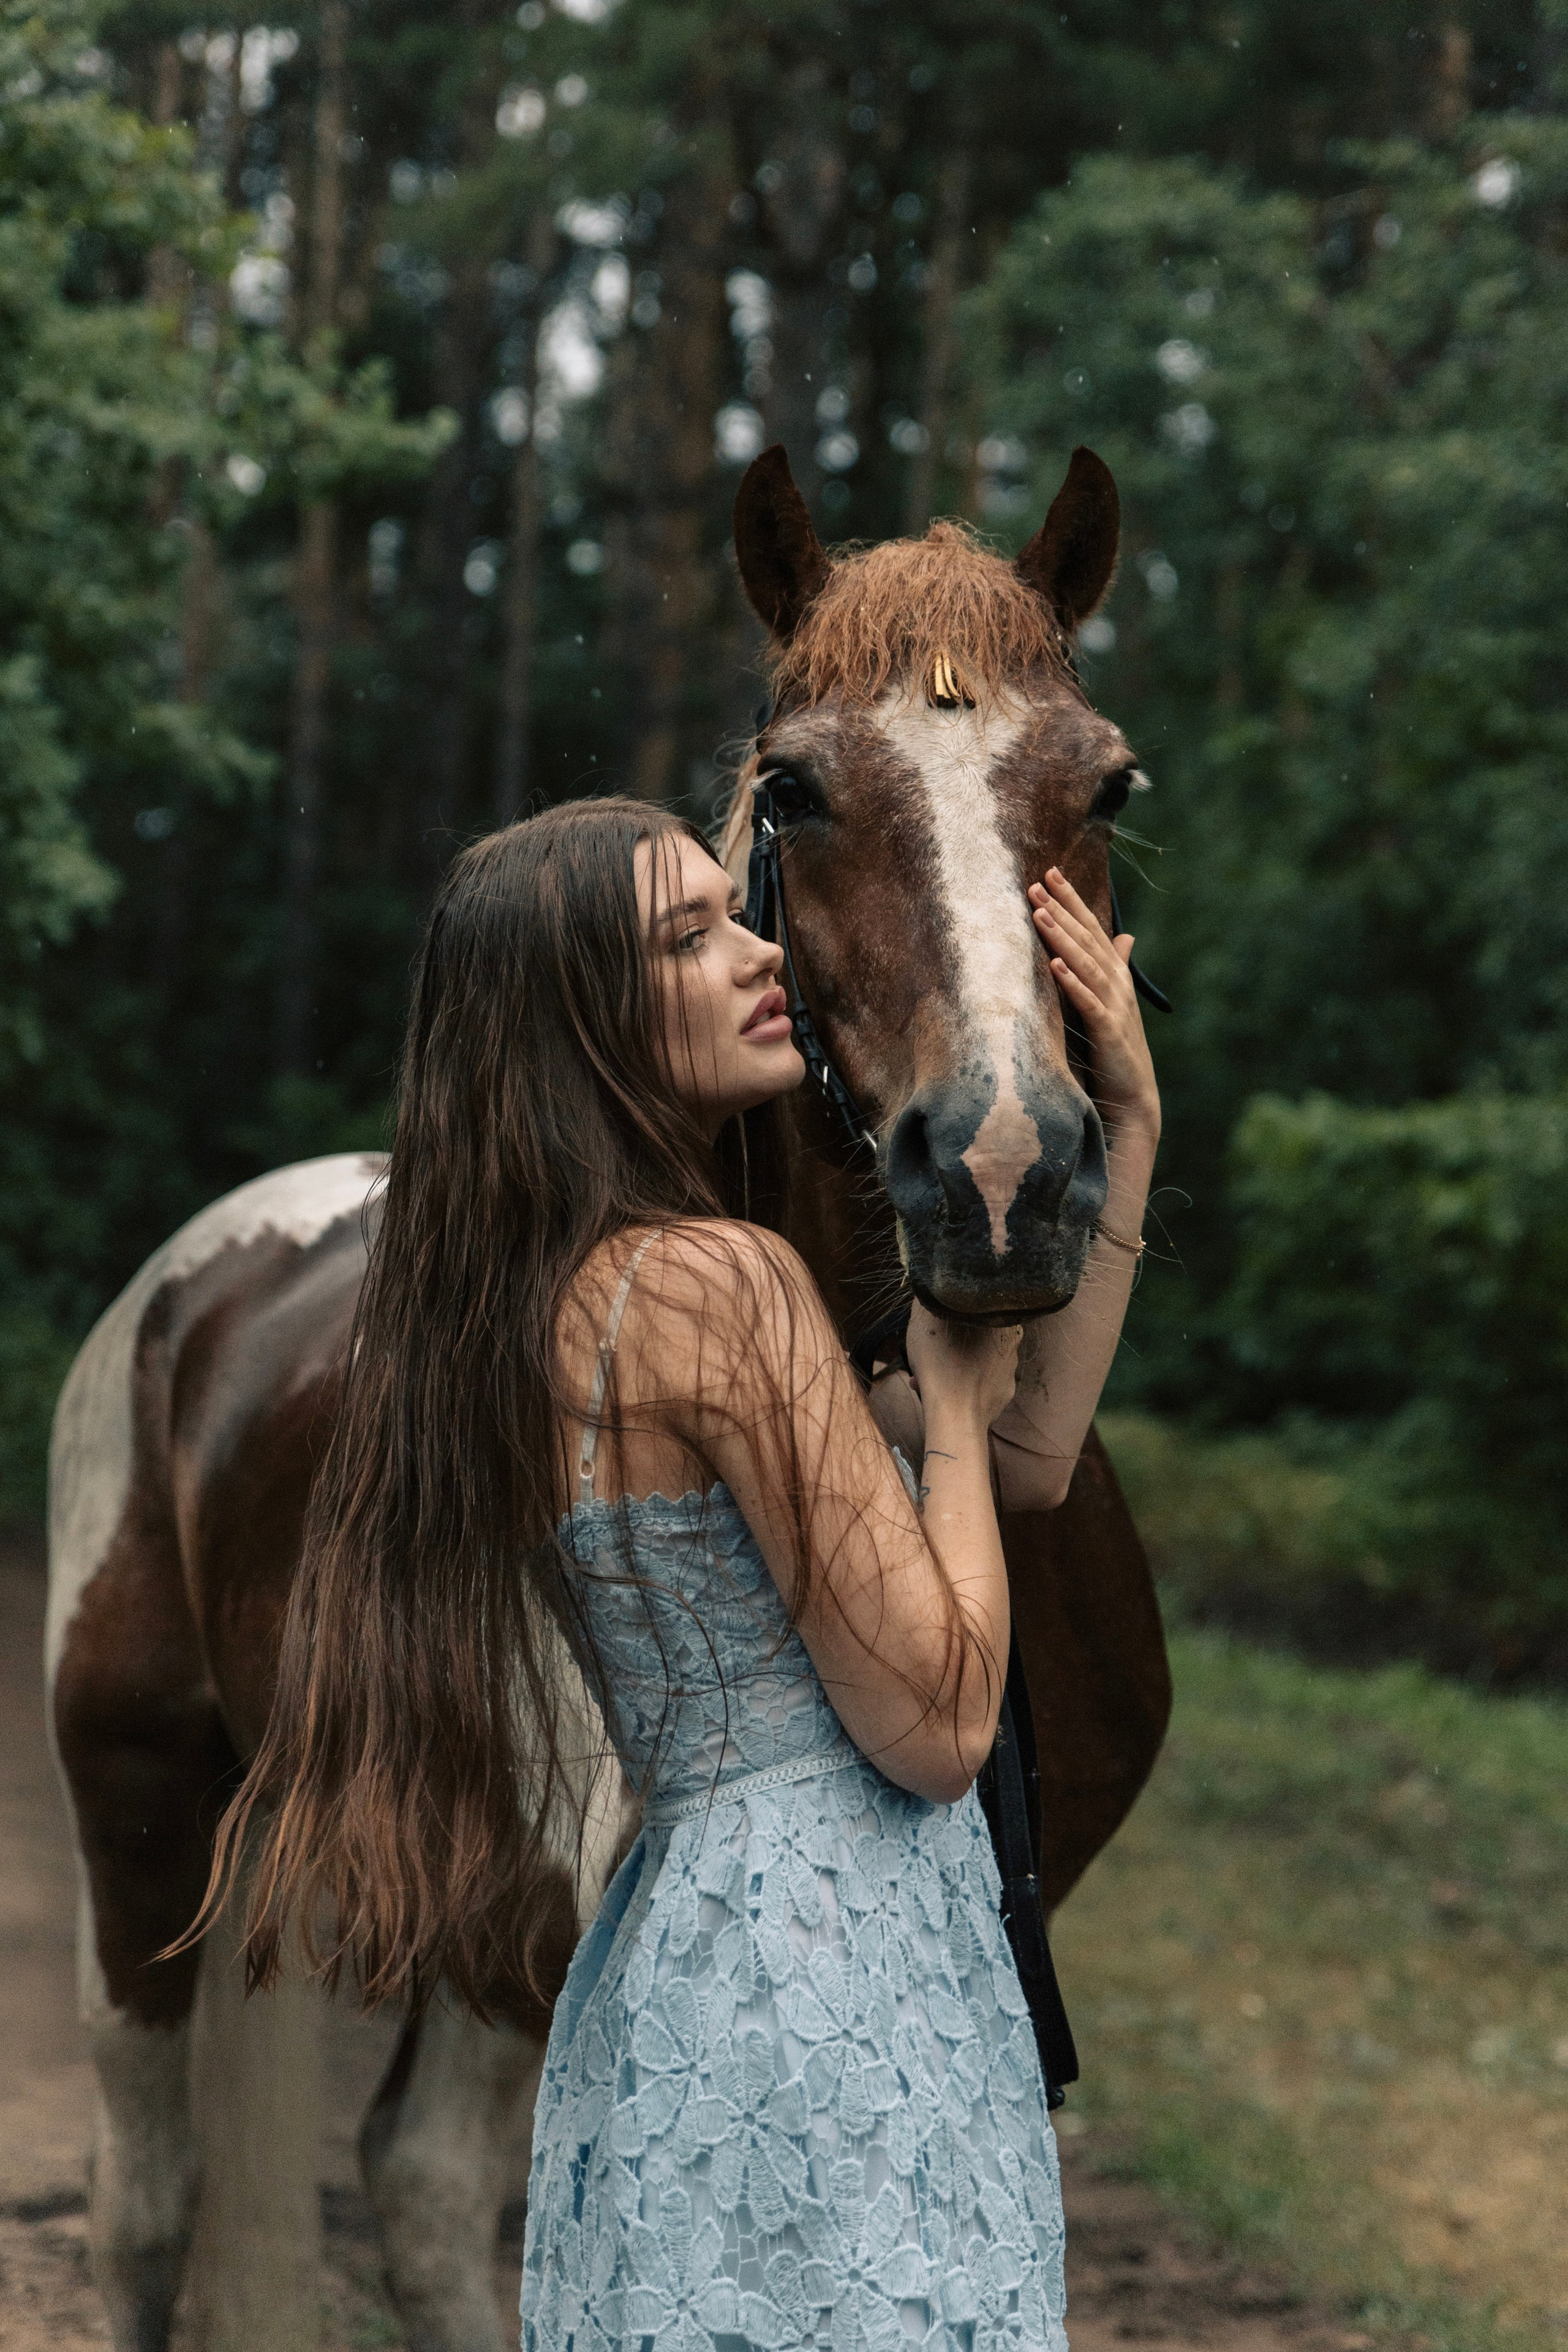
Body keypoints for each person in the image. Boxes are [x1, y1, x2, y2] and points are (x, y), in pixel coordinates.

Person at [204, 794, 1160, 2352]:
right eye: (688, 937)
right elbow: (939, 1724)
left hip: (682, 1944)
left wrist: (1125, 1133)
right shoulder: (724, 1285)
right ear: (578, 1020)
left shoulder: (551, 1298)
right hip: (832, 1952)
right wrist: (955, 1424)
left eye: (734, 911)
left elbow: (1031, 1452)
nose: (758, 949)